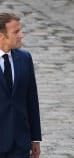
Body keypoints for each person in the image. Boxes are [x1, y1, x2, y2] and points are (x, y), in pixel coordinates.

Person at [0, 12, 41, 158]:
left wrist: (35, 139)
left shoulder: (25, 58)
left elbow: (31, 100)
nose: (21, 35)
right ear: (1, 35)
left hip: (20, 143)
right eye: (16, 32)